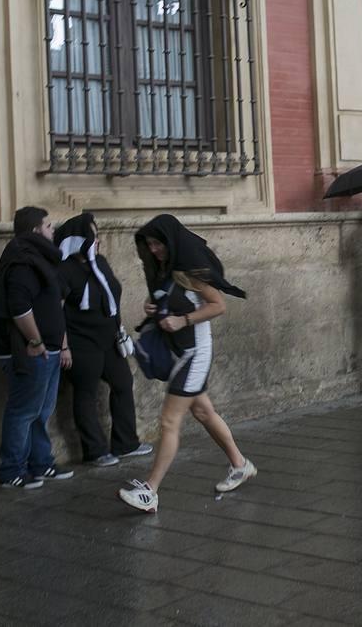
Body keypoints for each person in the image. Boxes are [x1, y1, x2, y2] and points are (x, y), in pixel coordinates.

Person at [118, 215, 256, 512]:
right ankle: (240, 464)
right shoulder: (164, 270)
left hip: (194, 354)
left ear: (170, 241)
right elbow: (172, 300)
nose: (154, 250)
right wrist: (151, 307)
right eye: (150, 244)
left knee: (169, 421)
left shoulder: (188, 271)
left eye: (158, 243)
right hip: (180, 352)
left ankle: (150, 491)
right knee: (204, 412)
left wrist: (183, 320)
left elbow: (218, 305)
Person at [54, 212, 153, 467]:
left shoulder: (100, 262)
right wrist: (63, 346)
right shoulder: (64, 270)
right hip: (81, 342)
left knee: (122, 382)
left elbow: (112, 299)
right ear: (79, 240)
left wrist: (120, 329)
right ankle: (95, 450)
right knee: (85, 393)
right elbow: (56, 311)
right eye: (94, 237)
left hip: (109, 338)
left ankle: (125, 442)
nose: (98, 242)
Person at [0, 207, 74, 489]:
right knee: (23, 411)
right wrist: (36, 341)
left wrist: (62, 345)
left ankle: (41, 463)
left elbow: (56, 305)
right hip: (28, 351)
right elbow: (19, 306)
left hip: (49, 349)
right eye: (49, 226)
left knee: (41, 411)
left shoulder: (42, 260)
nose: (53, 231)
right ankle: (12, 469)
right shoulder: (22, 261)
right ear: (37, 230)